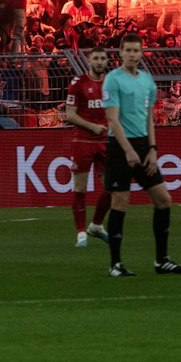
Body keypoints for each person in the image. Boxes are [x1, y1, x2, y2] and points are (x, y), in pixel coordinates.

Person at [101, 32, 181, 276]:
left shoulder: (147, 81)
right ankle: (115, 264)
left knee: (163, 199)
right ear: (120, 53)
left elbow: (149, 118)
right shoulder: (112, 80)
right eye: (127, 50)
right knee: (120, 202)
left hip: (142, 146)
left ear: (141, 53)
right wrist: (128, 151)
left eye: (135, 51)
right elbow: (112, 119)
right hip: (120, 147)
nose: (132, 55)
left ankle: (162, 260)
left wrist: (152, 149)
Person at [62, 47, 114, 247]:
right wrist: (92, 127)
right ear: (89, 61)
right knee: (80, 188)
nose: (99, 61)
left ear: (107, 61)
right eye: (96, 58)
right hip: (83, 141)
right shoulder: (78, 83)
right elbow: (70, 114)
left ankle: (96, 225)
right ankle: (81, 233)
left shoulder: (112, 83)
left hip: (106, 141)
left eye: (103, 58)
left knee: (112, 188)